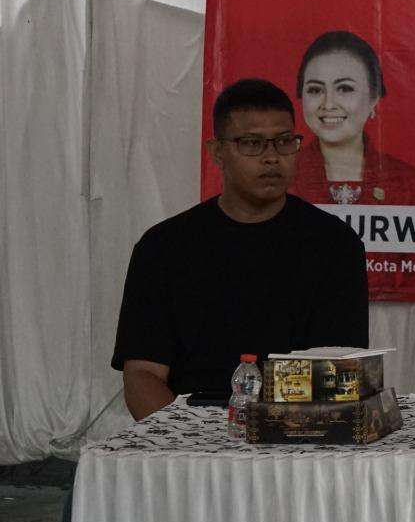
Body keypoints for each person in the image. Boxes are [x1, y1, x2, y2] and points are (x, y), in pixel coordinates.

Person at [111, 78, 369, 420]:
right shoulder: (163, 247)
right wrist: (183, 439)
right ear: (217, 152)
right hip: (190, 425)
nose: (271, 157)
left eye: (283, 141)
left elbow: (338, 374)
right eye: (252, 143)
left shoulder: (335, 245)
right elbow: (142, 374)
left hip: (298, 428)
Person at [292, 29, 415, 205]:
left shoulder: (405, 181)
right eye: (315, 90)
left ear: (373, 99)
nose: (328, 104)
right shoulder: (282, 174)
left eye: (345, 89)